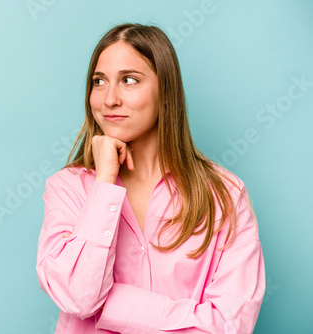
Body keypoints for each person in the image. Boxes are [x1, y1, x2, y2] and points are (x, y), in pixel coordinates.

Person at [36, 23, 265, 334]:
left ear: (165, 91)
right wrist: (104, 182)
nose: (109, 99)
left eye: (129, 80)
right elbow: (79, 299)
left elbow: (230, 325)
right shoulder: (68, 188)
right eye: (99, 82)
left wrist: (115, 306)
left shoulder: (225, 194)